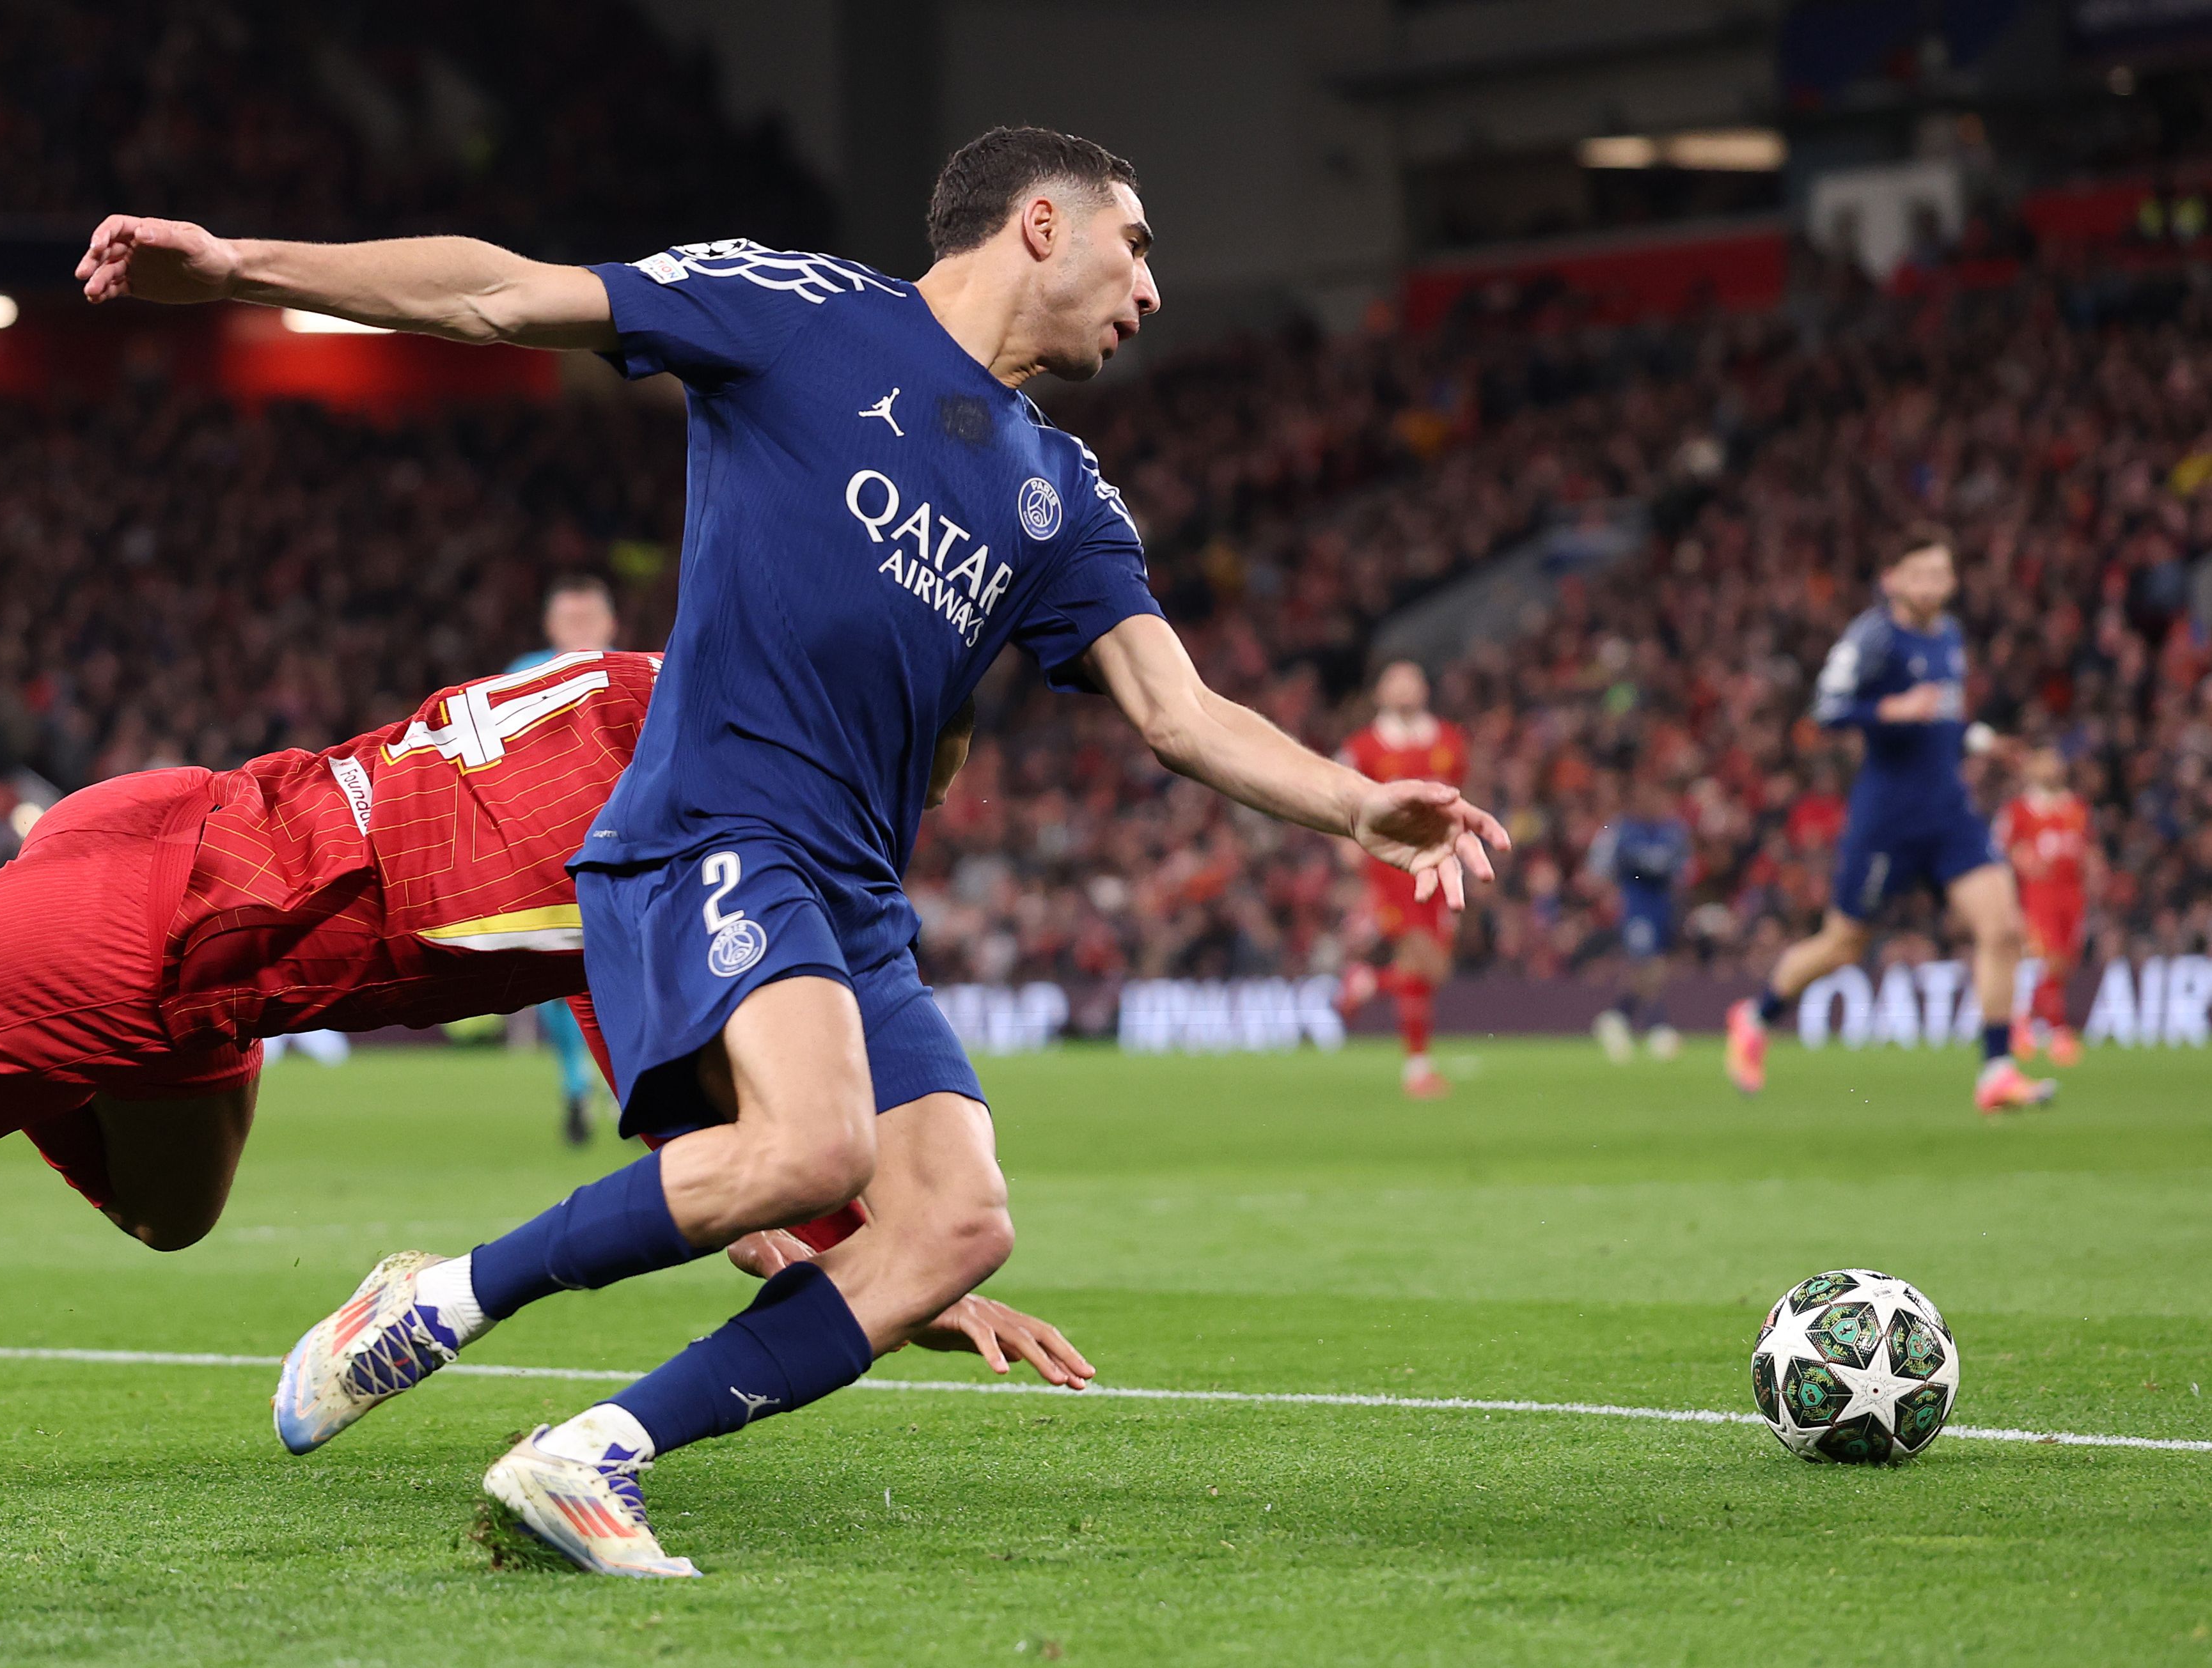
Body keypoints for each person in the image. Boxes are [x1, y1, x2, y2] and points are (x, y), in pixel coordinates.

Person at [77, 123, 1507, 1577]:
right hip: (705, 826)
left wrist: (1352, 800)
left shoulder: (1062, 495)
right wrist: (241, 266)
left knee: (952, 1221)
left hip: (850, 895)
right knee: (812, 1146)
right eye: (1134, 244)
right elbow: (504, 294)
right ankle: (439, 1297)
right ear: (1037, 224)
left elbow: (1177, 709)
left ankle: (591, 1454)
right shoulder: (796, 309)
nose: (1150, 287)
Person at [0, 571, 1073, 1369]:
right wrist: (896, 1263)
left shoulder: (635, 687)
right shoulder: (704, 812)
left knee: (170, 1214)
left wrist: (829, 1222)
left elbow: (585, 936)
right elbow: (734, 1123)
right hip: (142, 949)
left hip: (178, 855)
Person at [1723, 526, 2056, 1115]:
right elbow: (1826, 706)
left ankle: (1997, 1070)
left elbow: (1946, 718)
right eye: (1921, 573)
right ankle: (1756, 1016)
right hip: (1888, 820)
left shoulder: (1949, 635)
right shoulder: (1874, 637)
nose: (1935, 584)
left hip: (1949, 812)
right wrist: (1888, 709)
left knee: (2002, 928)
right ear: (1892, 580)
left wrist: (1982, 740)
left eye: (1941, 573)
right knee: (1844, 944)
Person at [506, 574, 620, 1144]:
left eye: (589, 619)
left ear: (610, 625)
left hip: (623, 848)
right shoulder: (520, 678)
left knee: (627, 972)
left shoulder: (633, 676)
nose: (579, 630)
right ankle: (579, 1082)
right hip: (546, 849)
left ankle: (622, 1081)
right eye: (569, 620)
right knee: (559, 974)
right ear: (551, 627)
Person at [1331, 662, 1471, 1097]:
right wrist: (1345, 842)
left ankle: (1368, 982)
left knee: (1435, 970)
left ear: (1426, 689)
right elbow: (1335, 795)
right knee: (1418, 957)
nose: (1406, 687)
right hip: (1393, 868)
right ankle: (1418, 1070)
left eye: (1413, 679)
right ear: (1380, 693)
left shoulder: (1449, 740)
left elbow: (1459, 800)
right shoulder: (1363, 747)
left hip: (1443, 860)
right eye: (1397, 681)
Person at [1996, 745, 2094, 1068]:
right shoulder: (2021, 809)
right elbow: (2006, 849)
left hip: (2072, 893)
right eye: (2046, 763)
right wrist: (2021, 864)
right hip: (2040, 894)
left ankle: (2023, 1021)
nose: (2054, 768)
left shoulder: (2076, 807)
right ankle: (2057, 1031)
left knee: (2066, 961)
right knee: (2049, 957)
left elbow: (2084, 848)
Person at [1587, 777, 1690, 1063]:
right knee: (1647, 964)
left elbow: (1675, 863)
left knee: (1653, 965)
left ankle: (1617, 1018)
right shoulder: (1626, 830)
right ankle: (1658, 1025)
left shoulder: (1671, 829)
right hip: (1638, 908)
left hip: (1664, 908)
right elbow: (1640, 863)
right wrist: (1656, 863)